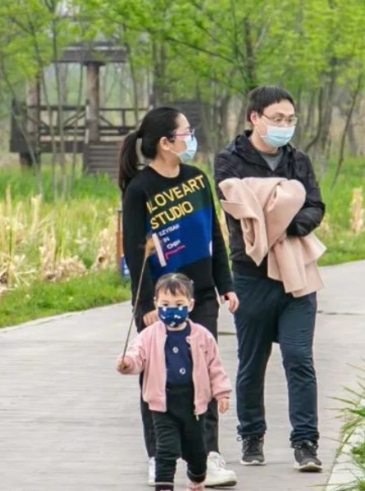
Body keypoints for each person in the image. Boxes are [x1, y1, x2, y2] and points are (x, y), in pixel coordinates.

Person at [120, 106, 240, 487]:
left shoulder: (197, 179)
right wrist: (144, 310)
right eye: (186, 132)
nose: (192, 138)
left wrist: (226, 285)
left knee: (202, 370)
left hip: (200, 295)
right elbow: (135, 252)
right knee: (157, 375)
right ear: (165, 143)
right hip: (161, 303)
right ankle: (159, 455)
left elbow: (214, 237)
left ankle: (208, 454)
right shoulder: (140, 189)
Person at [214, 86, 325, 472]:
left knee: (299, 358)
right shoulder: (229, 159)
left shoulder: (299, 160)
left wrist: (282, 217)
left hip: (297, 274)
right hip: (251, 275)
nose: (284, 126)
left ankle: (306, 443)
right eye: (277, 119)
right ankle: (252, 435)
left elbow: (314, 206)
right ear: (254, 118)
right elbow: (239, 211)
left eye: (290, 120)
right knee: (252, 361)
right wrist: (283, 201)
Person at [117, 273, 232, 491]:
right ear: (156, 304)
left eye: (179, 304)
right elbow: (136, 357)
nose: (172, 309)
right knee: (165, 451)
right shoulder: (149, 335)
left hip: (193, 405)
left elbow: (215, 367)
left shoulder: (202, 336)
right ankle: (164, 486)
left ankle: (197, 478)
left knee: (198, 452)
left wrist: (222, 394)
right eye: (166, 304)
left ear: (190, 305)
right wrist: (126, 363)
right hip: (163, 404)